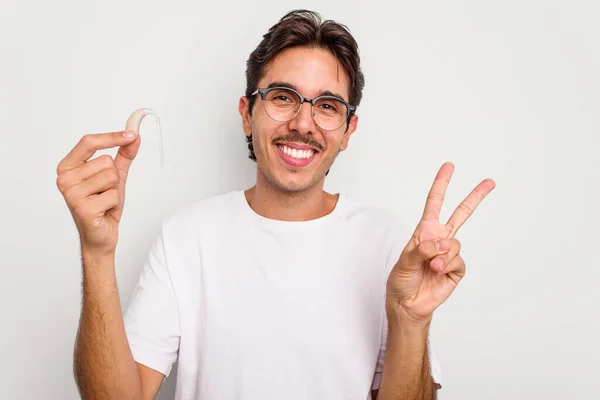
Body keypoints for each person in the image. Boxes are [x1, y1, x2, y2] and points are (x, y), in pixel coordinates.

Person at [56, 9, 495, 400]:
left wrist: (410, 321)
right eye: (283, 97)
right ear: (247, 113)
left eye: (327, 105)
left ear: (347, 129)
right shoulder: (186, 237)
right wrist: (97, 253)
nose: (303, 124)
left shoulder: (387, 244)